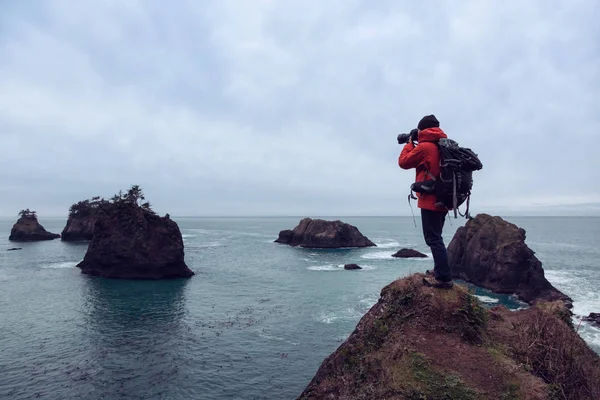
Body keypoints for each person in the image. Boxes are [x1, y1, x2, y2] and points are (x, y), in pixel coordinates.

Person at [398, 114, 454, 289]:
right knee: (437, 236)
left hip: (431, 199)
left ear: (422, 129)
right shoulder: (442, 144)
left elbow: (403, 162)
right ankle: (440, 271)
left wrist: (409, 142)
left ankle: (443, 278)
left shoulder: (426, 147)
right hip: (444, 198)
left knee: (433, 238)